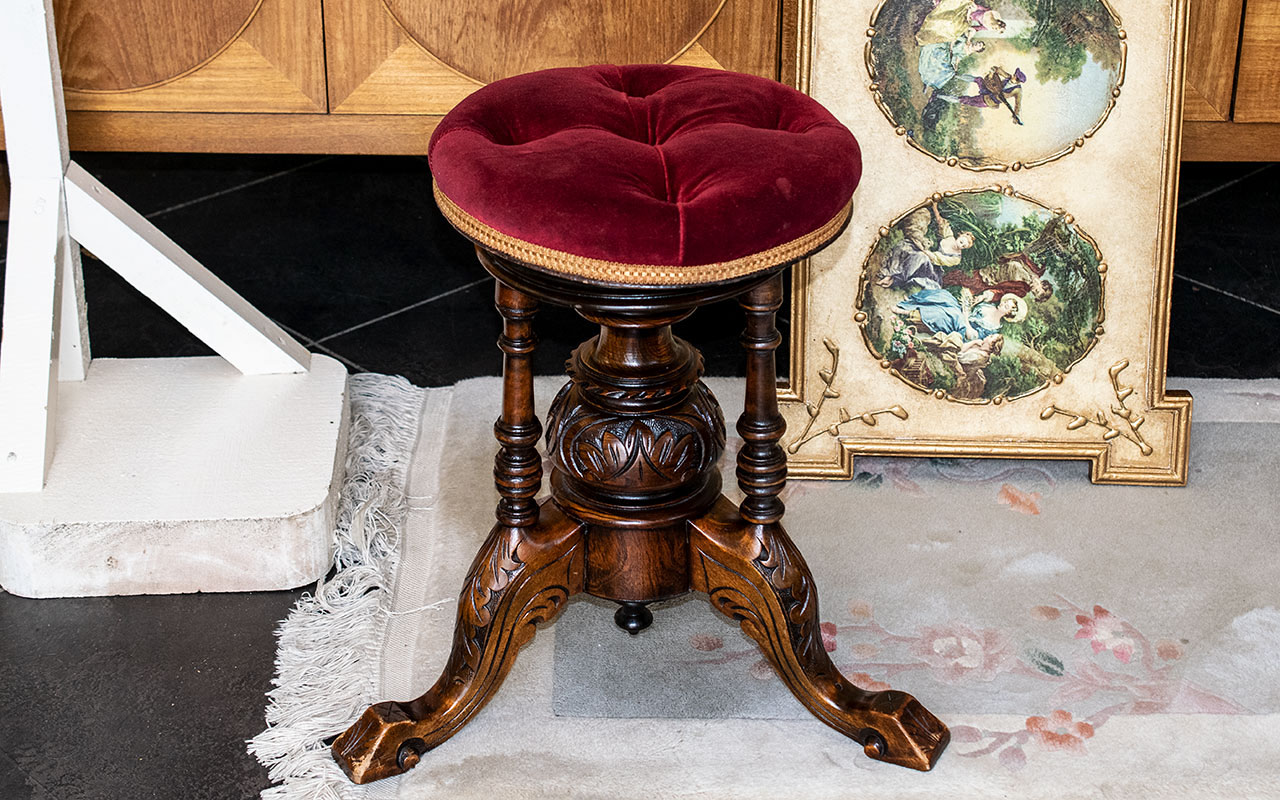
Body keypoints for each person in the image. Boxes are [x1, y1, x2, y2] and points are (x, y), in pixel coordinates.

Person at [876, 202, 976, 289]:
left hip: (931, 269)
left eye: (963, 246)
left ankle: (894, 280)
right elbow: (941, 223)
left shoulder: (956, 258)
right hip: (925, 252)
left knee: (921, 258)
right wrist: (935, 208)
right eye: (961, 241)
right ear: (959, 236)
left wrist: (922, 248)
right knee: (904, 245)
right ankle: (888, 274)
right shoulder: (950, 237)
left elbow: (936, 258)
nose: (960, 245)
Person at [893, 285, 1026, 342]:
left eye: (1006, 306)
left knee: (949, 313)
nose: (1002, 303)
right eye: (1005, 302)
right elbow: (971, 307)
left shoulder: (993, 329)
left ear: (1008, 313)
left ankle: (906, 312)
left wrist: (965, 316)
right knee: (945, 296)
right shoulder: (989, 305)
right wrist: (969, 302)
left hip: (962, 328)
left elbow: (971, 336)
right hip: (963, 314)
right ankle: (914, 301)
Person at [939, 66, 1026, 125]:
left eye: (1015, 76)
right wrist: (993, 71)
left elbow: (1018, 104)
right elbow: (998, 70)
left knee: (965, 99)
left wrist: (1016, 115)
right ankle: (955, 76)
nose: (1013, 75)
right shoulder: (1008, 77)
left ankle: (939, 96)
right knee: (979, 79)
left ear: (1017, 80)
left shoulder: (1018, 90)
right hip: (989, 89)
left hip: (989, 100)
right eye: (1014, 74)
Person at [916, 0, 1006, 46]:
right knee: (953, 8)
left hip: (967, 17)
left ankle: (927, 29)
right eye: (997, 28)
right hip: (968, 8)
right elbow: (978, 7)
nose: (995, 29)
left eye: (996, 30)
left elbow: (976, 29)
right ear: (999, 23)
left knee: (953, 31)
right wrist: (970, 11)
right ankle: (935, 6)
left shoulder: (988, 27)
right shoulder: (990, 13)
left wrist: (969, 37)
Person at [918, 37, 986, 92]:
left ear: (978, 50)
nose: (977, 44)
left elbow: (958, 57)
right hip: (947, 47)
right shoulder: (967, 41)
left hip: (950, 55)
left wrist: (955, 66)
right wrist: (950, 48)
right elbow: (954, 38)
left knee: (951, 71)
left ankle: (929, 82)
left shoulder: (968, 53)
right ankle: (927, 75)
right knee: (942, 57)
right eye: (979, 42)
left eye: (979, 45)